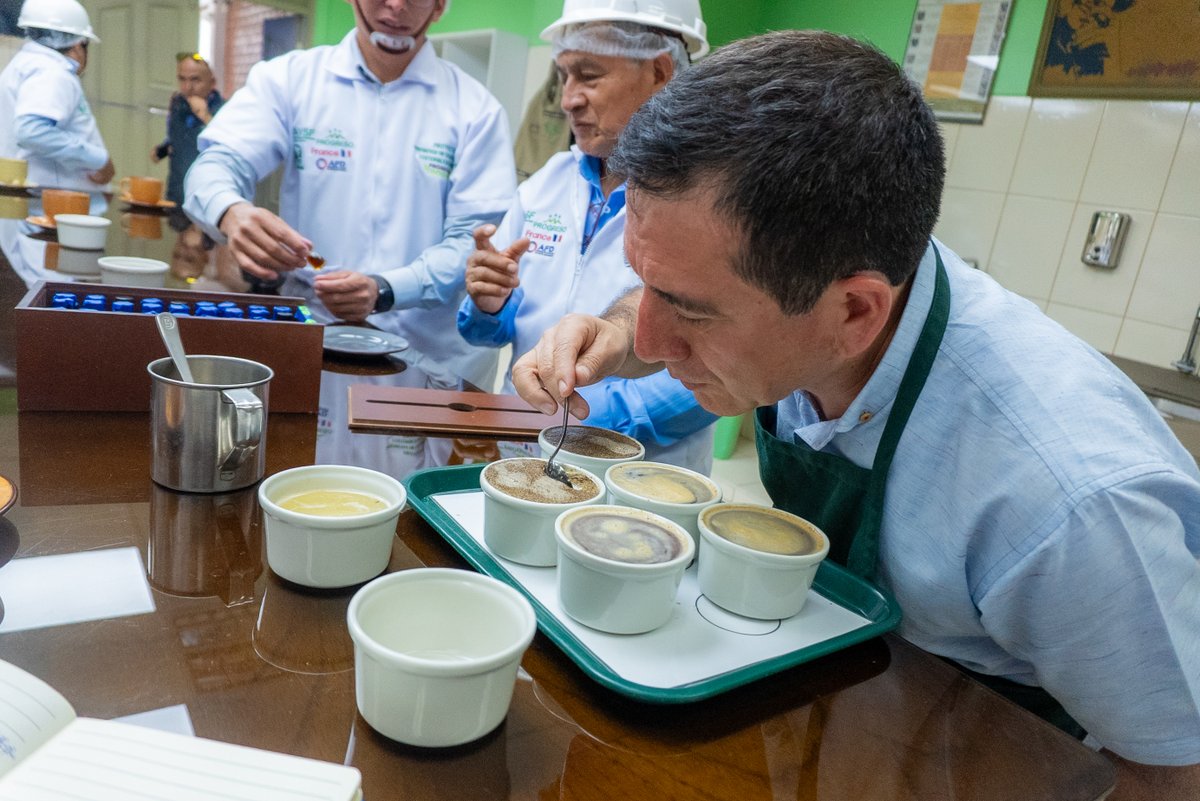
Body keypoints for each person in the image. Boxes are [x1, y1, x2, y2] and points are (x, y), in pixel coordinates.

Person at [511, 31, 1200, 799]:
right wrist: (610, 329)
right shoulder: (823, 295)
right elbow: (681, 285)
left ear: (855, 311)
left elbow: (1174, 770)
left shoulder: (1066, 502)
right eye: (650, 288)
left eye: (689, 313)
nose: (651, 342)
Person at [184, 0, 516, 390]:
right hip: (313, 331)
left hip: (422, 353)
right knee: (302, 449)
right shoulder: (289, 80)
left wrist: (385, 289)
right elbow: (215, 165)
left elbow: (473, 240)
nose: (395, 5)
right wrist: (231, 211)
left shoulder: (474, 109)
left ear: (440, 5)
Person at [457, 0, 717, 472]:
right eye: (564, 77)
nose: (567, 99)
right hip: (521, 453)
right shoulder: (545, 185)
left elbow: (725, 366)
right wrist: (488, 301)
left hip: (638, 477)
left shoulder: (712, 197)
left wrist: (590, 415)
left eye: (589, 76)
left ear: (659, 72)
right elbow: (487, 332)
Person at [0, 0, 113, 211]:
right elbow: (31, 132)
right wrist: (99, 160)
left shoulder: (23, 65)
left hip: (37, 205)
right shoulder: (52, 73)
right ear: (79, 45)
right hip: (54, 209)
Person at [152, 53, 224, 206]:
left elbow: (228, 147)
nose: (188, 87)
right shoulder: (178, 103)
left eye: (195, 80)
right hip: (177, 191)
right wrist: (162, 150)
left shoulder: (223, 109)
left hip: (207, 197)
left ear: (212, 83)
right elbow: (174, 138)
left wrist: (205, 117)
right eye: (182, 79)